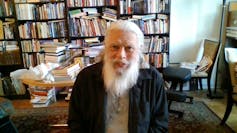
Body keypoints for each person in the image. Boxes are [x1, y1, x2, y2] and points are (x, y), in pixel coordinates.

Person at [68, 20, 168, 133]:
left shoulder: (153, 79)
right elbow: (75, 121)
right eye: (115, 47)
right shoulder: (85, 78)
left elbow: (160, 124)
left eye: (129, 48)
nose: (121, 55)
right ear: (105, 48)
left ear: (139, 50)